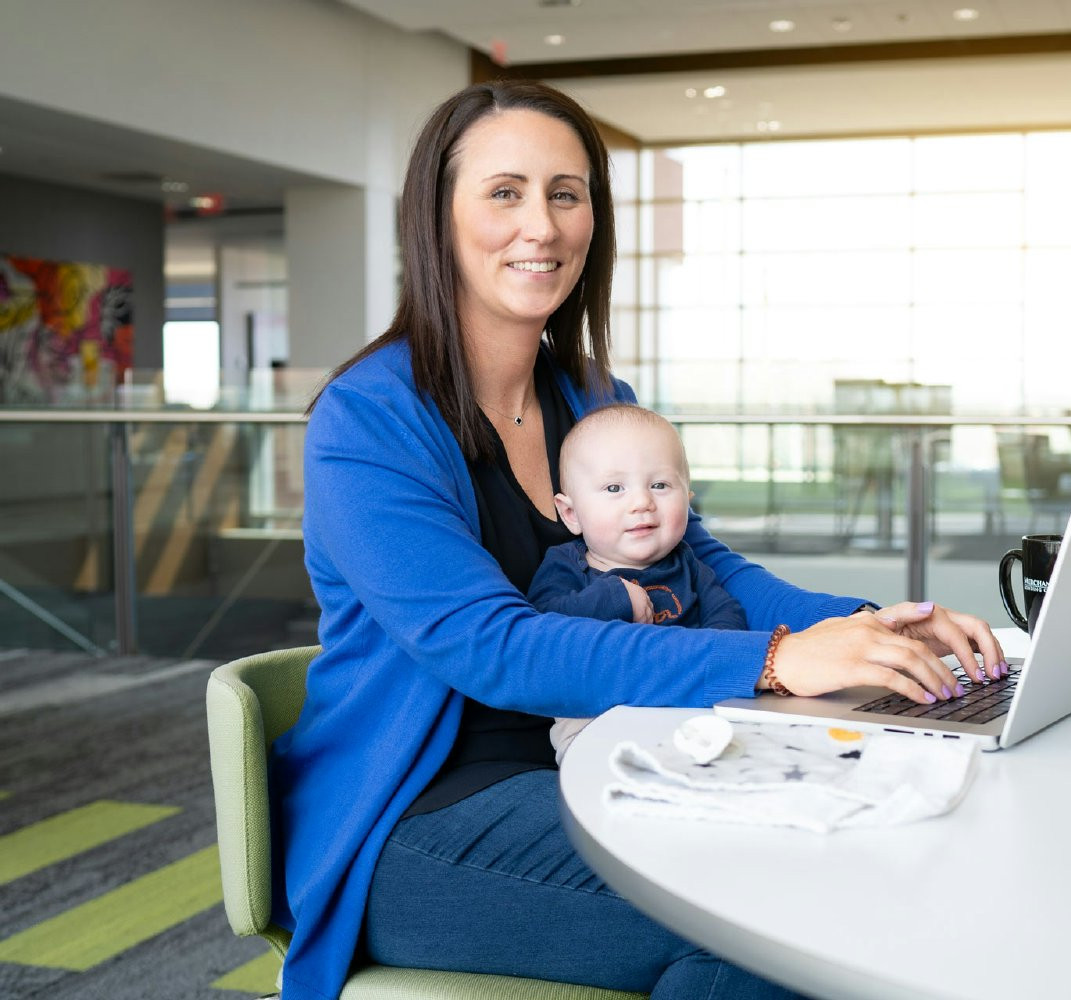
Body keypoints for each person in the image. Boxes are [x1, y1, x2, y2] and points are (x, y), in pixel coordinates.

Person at [270, 77, 1007, 1000]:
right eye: (504, 192)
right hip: (418, 820)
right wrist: (780, 661)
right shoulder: (368, 421)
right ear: (436, 218)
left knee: (854, 872)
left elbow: (707, 568)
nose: (541, 225)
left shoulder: (591, 398)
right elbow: (491, 649)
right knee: (789, 923)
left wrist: (872, 629)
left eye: (565, 193)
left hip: (618, 757)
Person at [529, 403, 748, 760]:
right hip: (596, 718)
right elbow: (545, 627)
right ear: (571, 513)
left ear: (687, 500)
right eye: (615, 488)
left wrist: (709, 656)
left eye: (660, 485)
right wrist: (613, 597)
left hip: (686, 706)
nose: (642, 502)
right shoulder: (566, 566)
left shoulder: (687, 563)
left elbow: (727, 615)